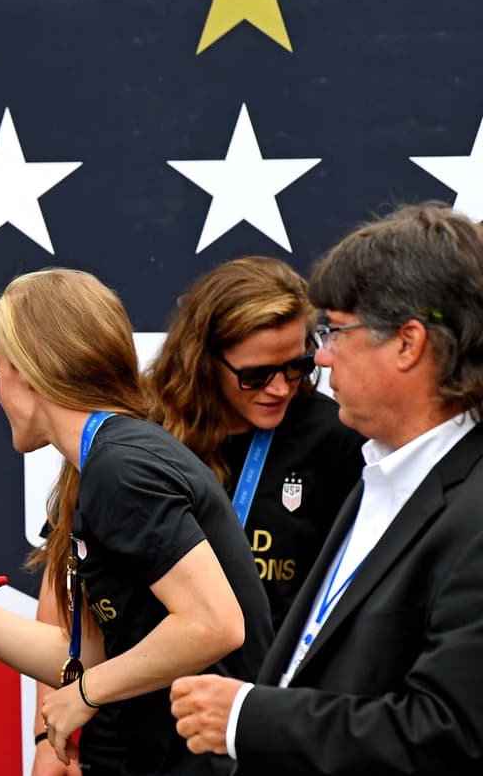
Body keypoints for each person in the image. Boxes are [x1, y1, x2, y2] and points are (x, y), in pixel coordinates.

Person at [0, 267, 273, 775]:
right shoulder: (107, 462)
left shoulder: (120, 467)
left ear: (29, 370)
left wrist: (84, 694)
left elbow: (214, 625)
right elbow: (80, 656)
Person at [172, 203, 483, 775]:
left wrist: (248, 718)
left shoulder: (472, 512)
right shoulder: (381, 474)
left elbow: (453, 734)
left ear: (407, 343)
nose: (321, 356)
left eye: (336, 330)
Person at [145, 257, 366, 630]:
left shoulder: (337, 436)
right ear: (204, 361)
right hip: (159, 678)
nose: (280, 389)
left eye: (298, 366)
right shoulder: (145, 431)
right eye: (257, 375)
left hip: (278, 684)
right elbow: (71, 576)